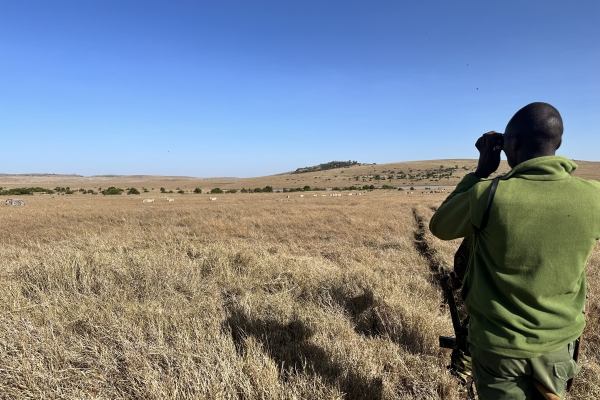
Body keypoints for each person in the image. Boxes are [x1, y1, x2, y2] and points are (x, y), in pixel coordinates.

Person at [429, 102, 600, 399]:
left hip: (499, 346)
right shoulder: (593, 196)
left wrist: (479, 172)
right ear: (557, 143)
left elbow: (440, 226)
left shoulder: (489, 194)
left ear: (513, 143)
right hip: (559, 345)